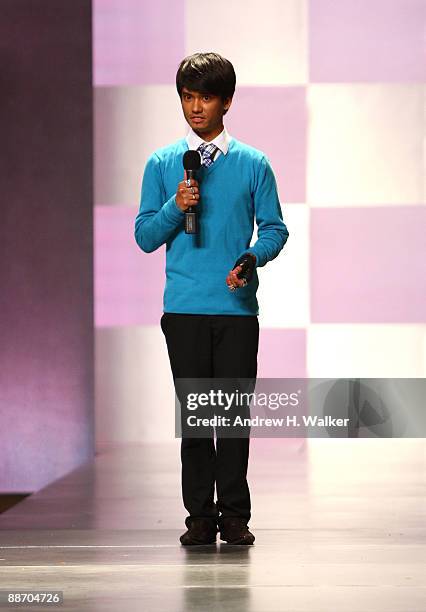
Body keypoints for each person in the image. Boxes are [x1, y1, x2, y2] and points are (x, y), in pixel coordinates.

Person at [134, 52, 289, 546]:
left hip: (237, 311)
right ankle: (199, 516)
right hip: (183, 310)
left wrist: (251, 259)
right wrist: (175, 208)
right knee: (197, 417)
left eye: (205, 97)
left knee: (233, 418)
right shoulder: (163, 164)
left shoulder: (253, 164)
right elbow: (144, 236)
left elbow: (274, 229)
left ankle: (235, 516)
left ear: (227, 102)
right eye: (187, 96)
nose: (195, 107)